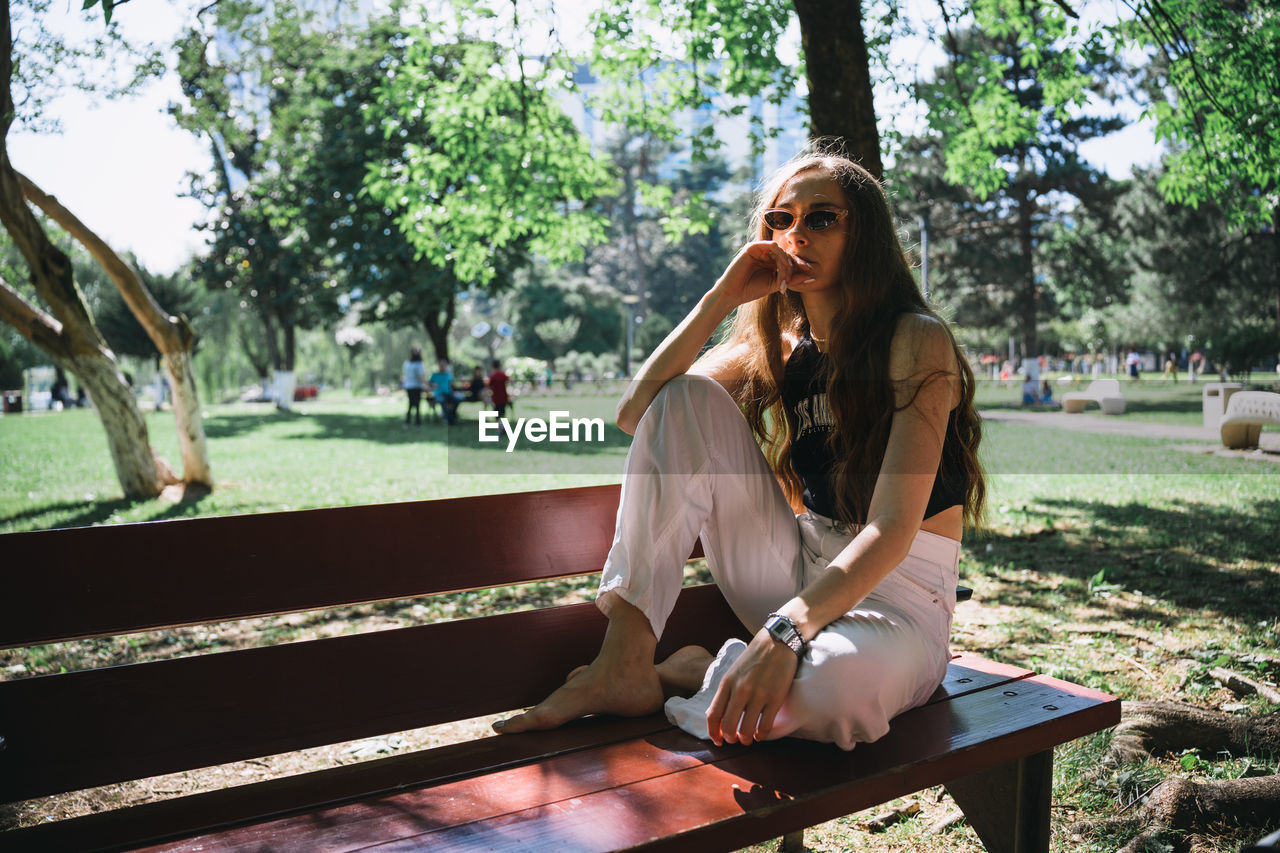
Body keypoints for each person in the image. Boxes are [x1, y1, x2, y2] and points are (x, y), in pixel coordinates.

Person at [492, 150, 986, 752]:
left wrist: (784, 630)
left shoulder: (914, 339)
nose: (795, 233)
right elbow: (636, 413)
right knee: (685, 399)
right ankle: (624, 662)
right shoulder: (777, 347)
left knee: (831, 693)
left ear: (867, 235)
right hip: (797, 564)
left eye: (822, 218)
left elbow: (890, 529)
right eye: (780, 219)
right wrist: (721, 299)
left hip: (900, 597)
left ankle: (698, 670)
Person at [428, 358, 459, 425]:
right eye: (441, 365)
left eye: (444, 365)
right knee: (443, 401)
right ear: (439, 365)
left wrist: (454, 391)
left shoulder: (448, 374)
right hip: (439, 394)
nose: (442, 366)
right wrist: (433, 385)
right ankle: (448, 419)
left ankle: (452, 417)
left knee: (456, 401)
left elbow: (451, 385)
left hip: (448, 393)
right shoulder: (435, 375)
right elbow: (429, 383)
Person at [402, 346, 427, 428]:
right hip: (416, 387)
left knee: (410, 405)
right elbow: (421, 377)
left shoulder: (406, 363)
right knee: (417, 405)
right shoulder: (419, 364)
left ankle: (407, 423)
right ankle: (417, 423)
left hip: (408, 386)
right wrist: (428, 384)